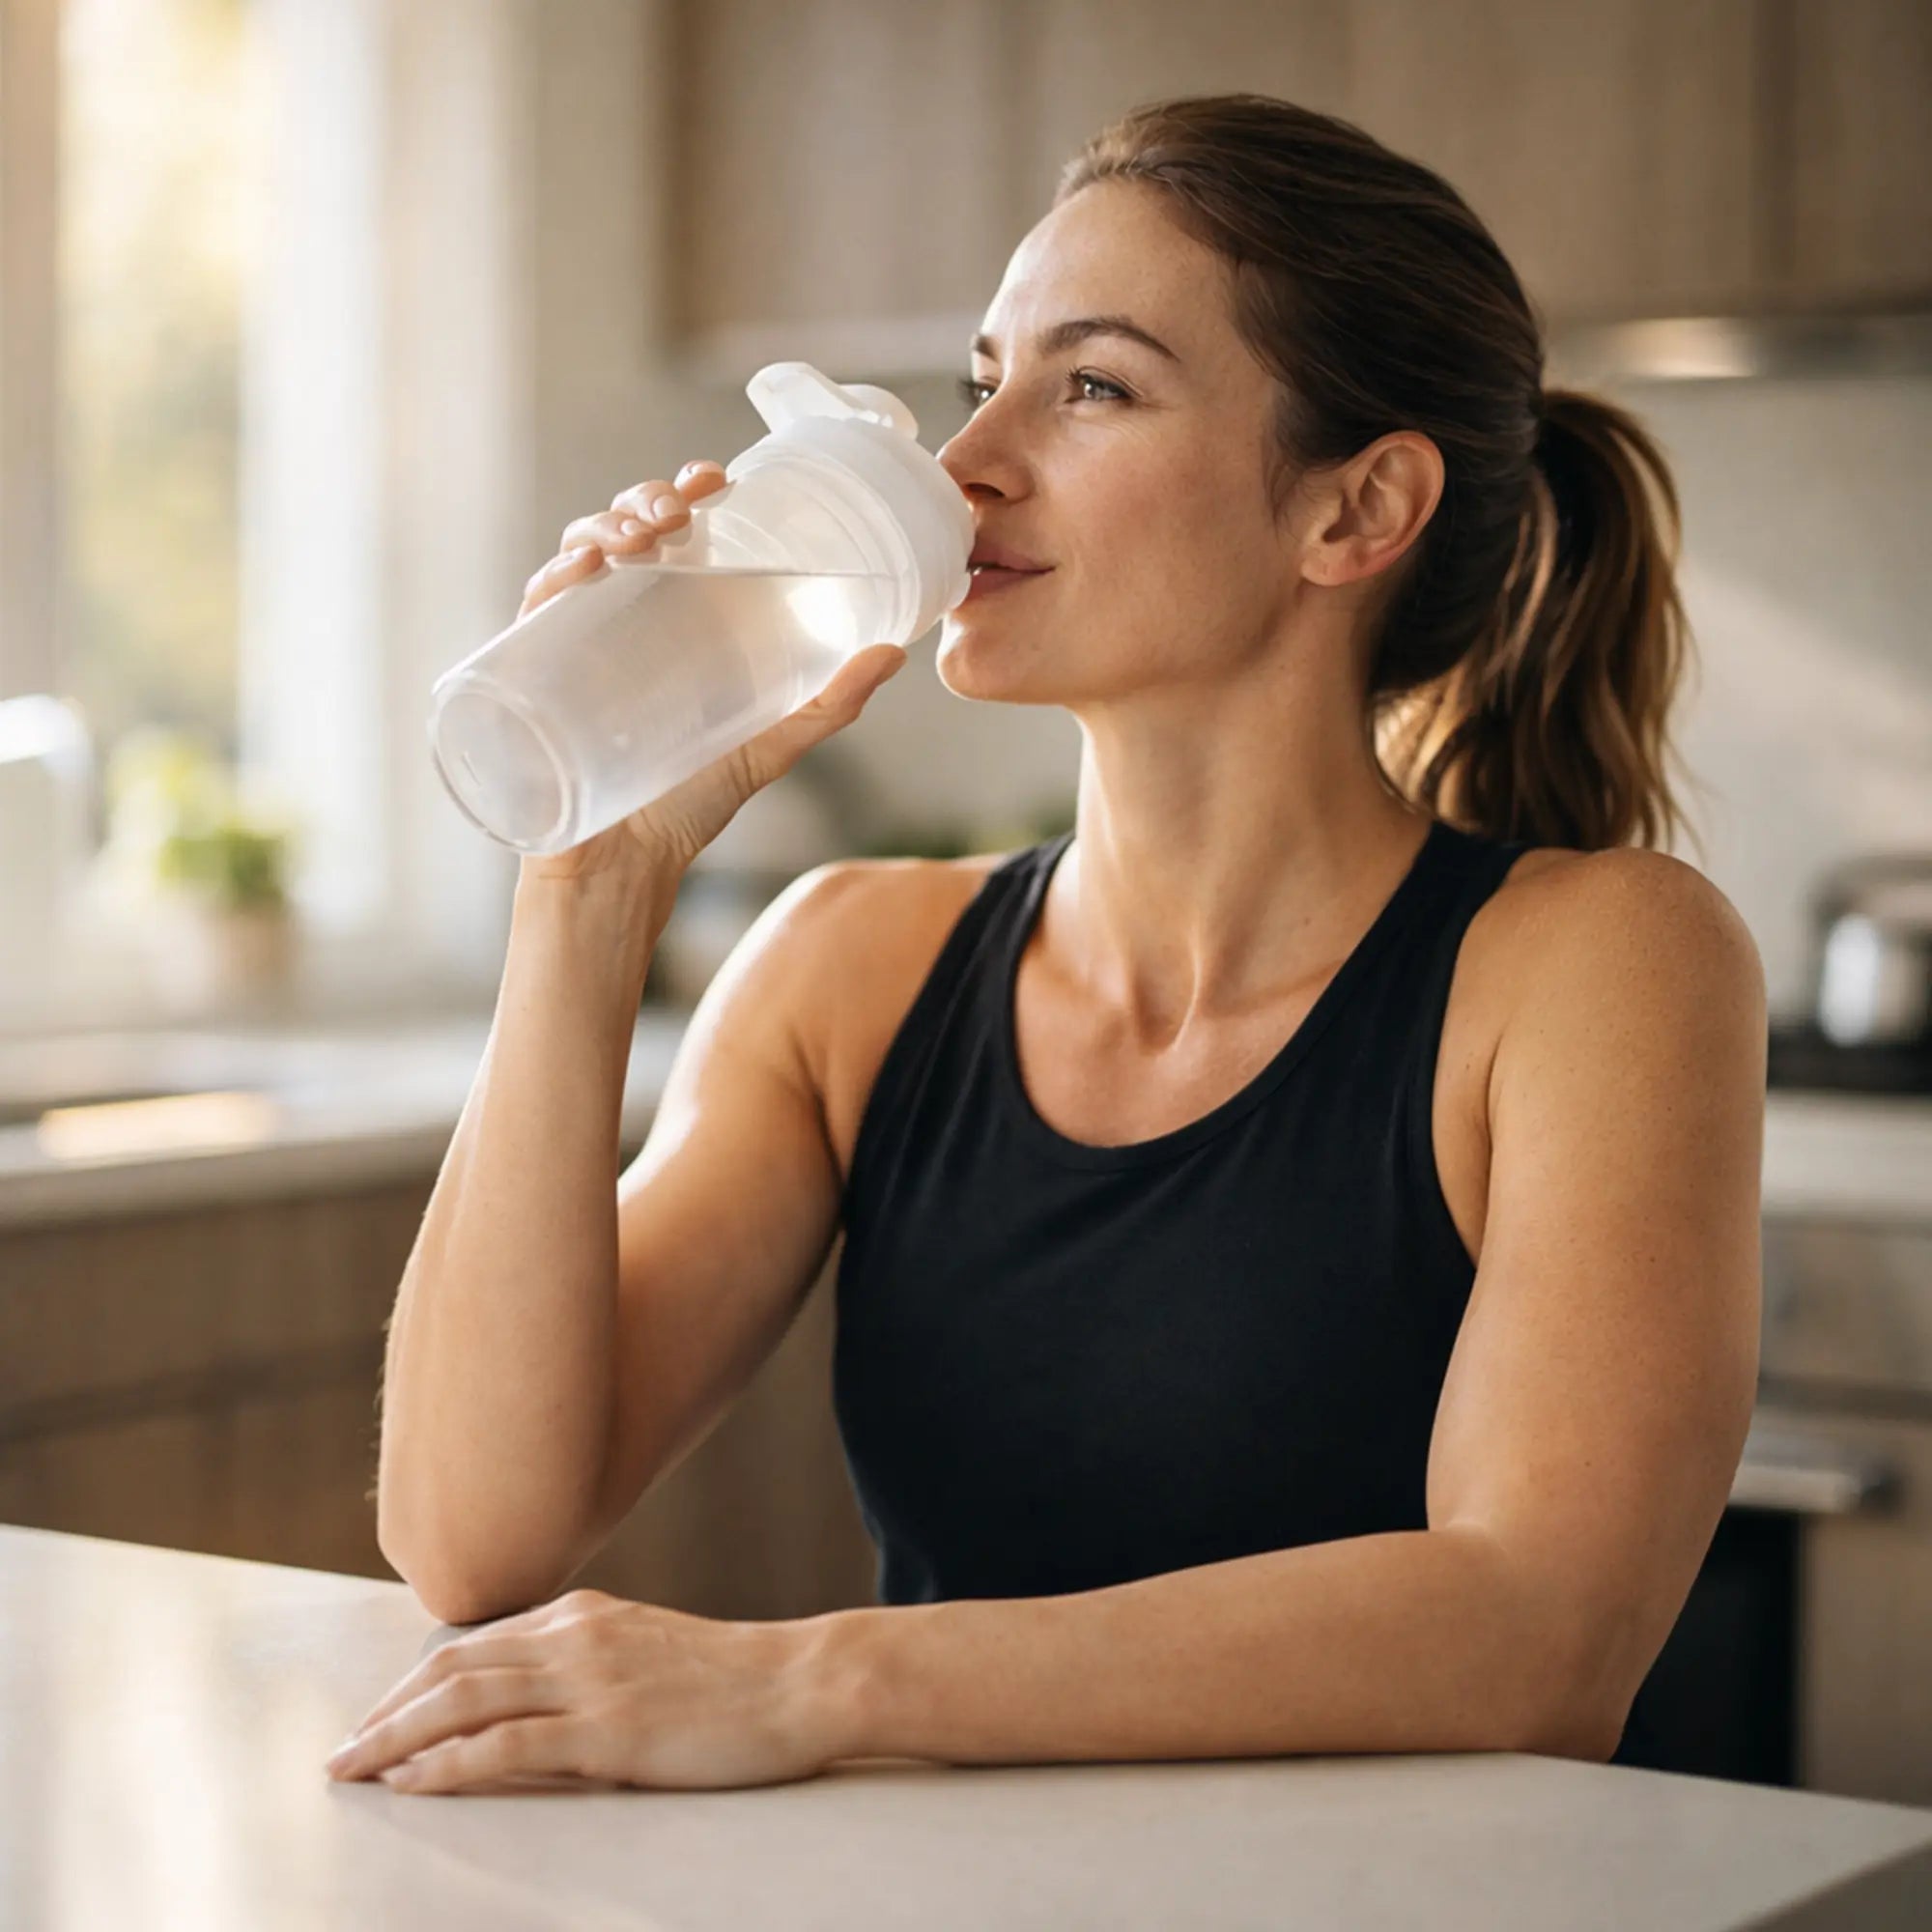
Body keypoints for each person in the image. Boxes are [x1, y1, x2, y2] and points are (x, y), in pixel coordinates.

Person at [330, 94, 1764, 1799]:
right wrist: (587, 876)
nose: (963, 463)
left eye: (1091, 387)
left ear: (1354, 511)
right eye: (980, 379)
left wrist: (814, 1679)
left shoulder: (1598, 966)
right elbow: (472, 1541)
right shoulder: (851, 964)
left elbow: (1539, 1638)